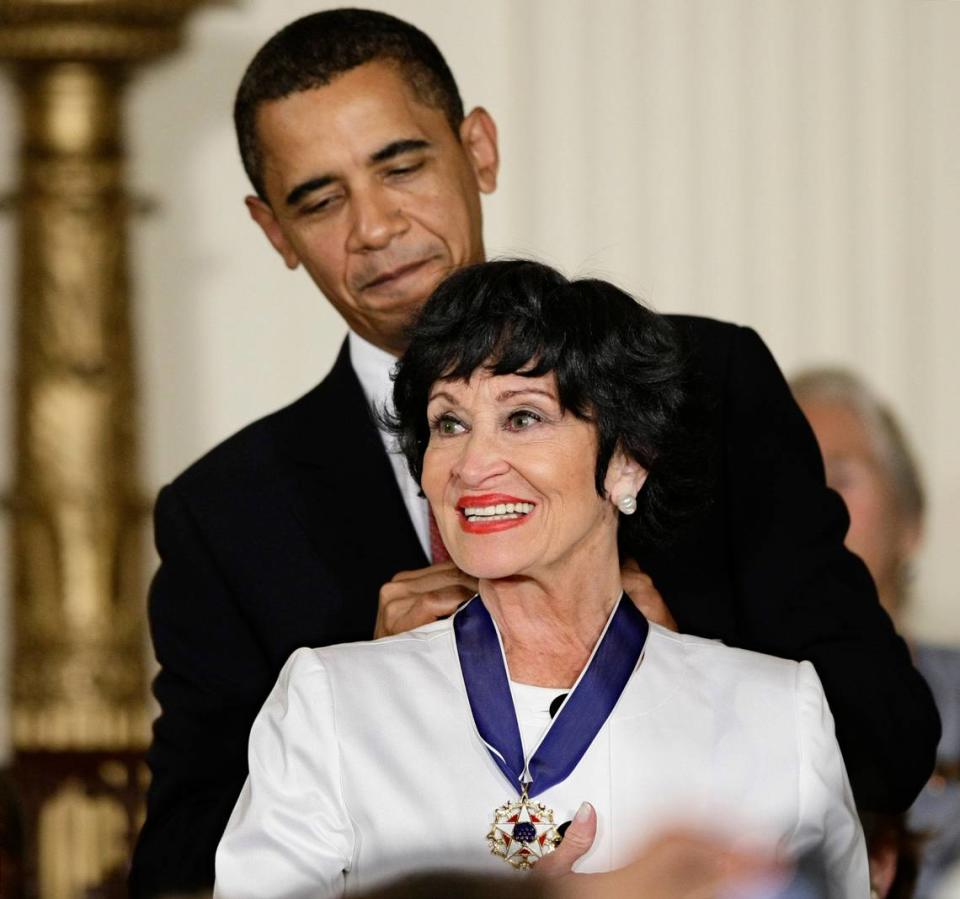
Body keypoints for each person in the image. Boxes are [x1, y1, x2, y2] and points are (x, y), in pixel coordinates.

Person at [129, 10, 938, 896]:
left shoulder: (712, 383)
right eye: (319, 200)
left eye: (402, 165)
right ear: (272, 230)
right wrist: (371, 702)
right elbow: (180, 868)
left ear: (479, 148)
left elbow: (885, 736)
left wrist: (668, 660)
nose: (374, 226)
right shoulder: (228, 514)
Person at [213, 260, 869, 898]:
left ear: (627, 462)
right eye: (450, 422)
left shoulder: (775, 712)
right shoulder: (331, 704)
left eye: (522, 417)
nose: (472, 463)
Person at [792, 368, 960, 899]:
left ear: (911, 520)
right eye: (788, 480)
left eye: (840, 477)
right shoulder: (709, 701)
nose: (812, 505)